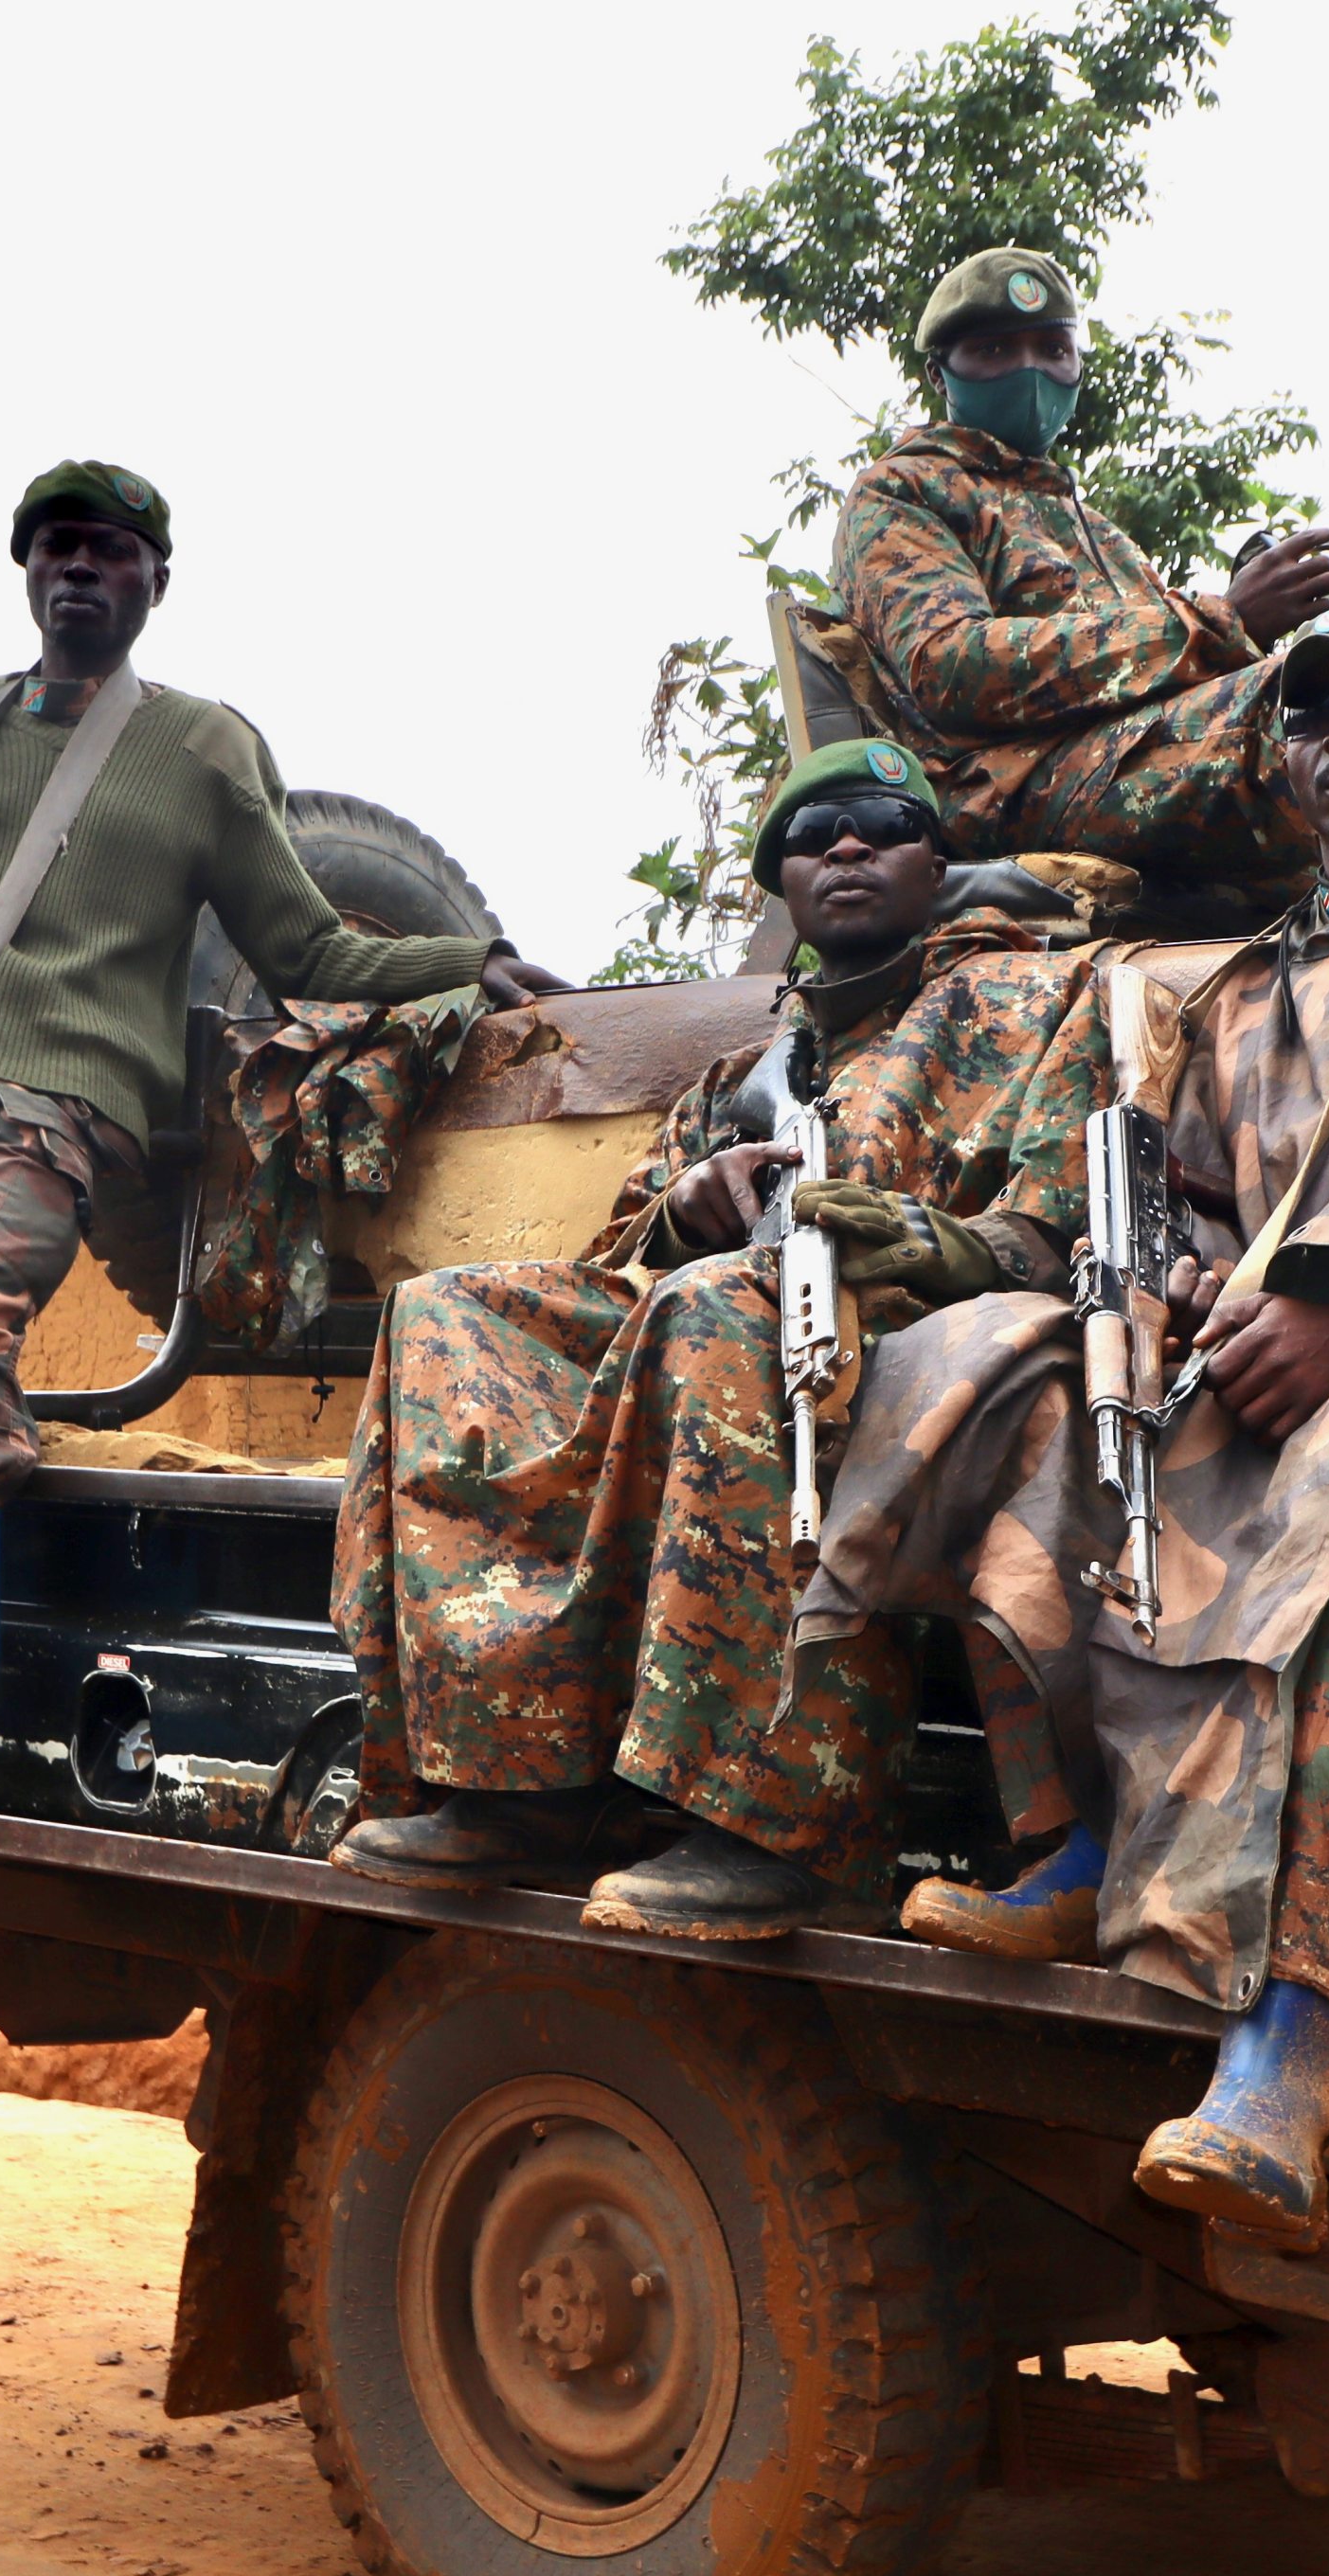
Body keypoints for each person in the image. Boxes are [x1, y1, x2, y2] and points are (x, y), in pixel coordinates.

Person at [798, 602, 1329, 2246]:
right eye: (1312, 717)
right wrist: (1155, 1303)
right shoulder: (1250, 980)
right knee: (1028, 1394)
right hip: (1244, 1351)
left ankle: (1289, 2050)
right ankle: (1077, 1846)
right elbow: (1179, 1197)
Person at [0, 460, 565, 1812]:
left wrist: (462, 961)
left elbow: (299, 936)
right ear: (25, 570)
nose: (80, 568)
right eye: (58, 546)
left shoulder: (197, 748)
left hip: (51, 1097)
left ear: (153, 583)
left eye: (111, 552)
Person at [327, 740, 1108, 1939]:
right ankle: (518, 1780)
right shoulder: (750, 1071)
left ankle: (772, 1821)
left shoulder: (1035, 1002)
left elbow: (1059, 1229)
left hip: (930, 1335)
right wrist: (686, 1204)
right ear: (786, 886)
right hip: (720, 1321)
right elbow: (618, 1256)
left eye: (881, 825)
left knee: (718, 1311)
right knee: (448, 1315)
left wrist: (920, 1243)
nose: (847, 847)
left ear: (937, 860)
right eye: (815, 835)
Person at [834, 246, 1329, 928]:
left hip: (1115, 766)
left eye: (1050, 349)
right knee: (1292, 719)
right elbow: (950, 667)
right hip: (1008, 791)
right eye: (995, 350)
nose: (1028, 369)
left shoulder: (1097, 529)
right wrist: (1221, 619)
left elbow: (1169, 697)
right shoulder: (903, 493)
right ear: (940, 373)